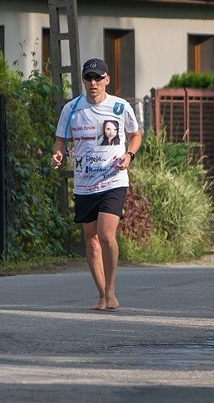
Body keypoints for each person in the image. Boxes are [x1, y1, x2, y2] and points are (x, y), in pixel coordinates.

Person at [51, 58, 142, 310]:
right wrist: (58, 154)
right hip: (84, 182)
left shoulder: (120, 107)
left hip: (113, 179)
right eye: (88, 78)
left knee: (105, 234)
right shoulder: (71, 109)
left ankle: (111, 290)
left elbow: (135, 135)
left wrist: (129, 155)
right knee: (90, 239)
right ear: (83, 80)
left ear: (107, 80)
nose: (93, 83)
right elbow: (60, 141)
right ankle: (102, 295)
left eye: (98, 78)